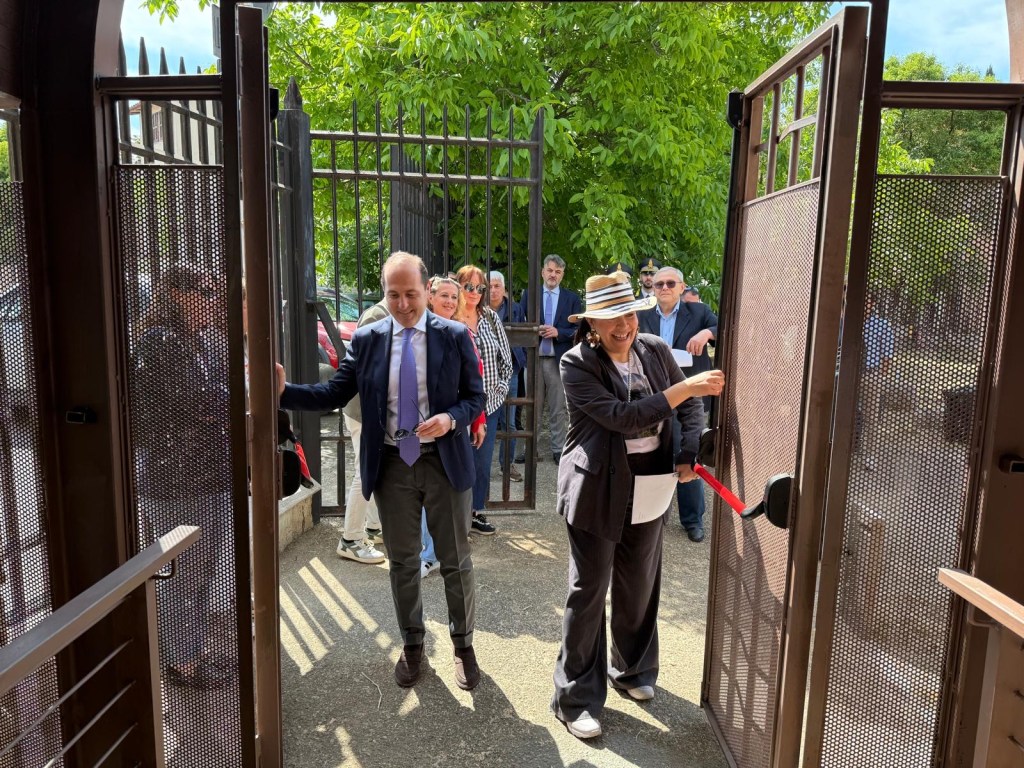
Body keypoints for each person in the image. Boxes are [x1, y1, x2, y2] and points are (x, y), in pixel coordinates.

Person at [275, 251, 486, 690]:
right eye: (394, 294)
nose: (404, 304)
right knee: (403, 562)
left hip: (443, 461)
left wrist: (451, 419)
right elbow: (332, 392)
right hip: (392, 463)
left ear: (427, 291)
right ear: (384, 294)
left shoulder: (453, 335)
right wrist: (281, 392)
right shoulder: (368, 339)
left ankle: (463, 645)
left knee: (455, 560)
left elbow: (474, 396)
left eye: (411, 294)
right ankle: (412, 644)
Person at [551, 270, 725, 739]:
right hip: (596, 490)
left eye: (627, 313)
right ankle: (575, 698)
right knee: (589, 591)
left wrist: (689, 451)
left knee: (640, 583)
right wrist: (684, 388)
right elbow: (621, 418)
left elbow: (690, 412)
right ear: (591, 324)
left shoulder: (653, 349)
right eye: (610, 318)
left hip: (650, 485)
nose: (622, 325)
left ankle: (632, 671)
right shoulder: (576, 363)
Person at [133, 263, 233, 690]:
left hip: (206, 474)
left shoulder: (198, 340)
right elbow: (193, 402)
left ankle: (191, 651)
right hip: (177, 479)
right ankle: (183, 663)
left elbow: (220, 395)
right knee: (184, 575)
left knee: (203, 570)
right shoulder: (159, 343)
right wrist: (225, 402)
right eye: (205, 292)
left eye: (213, 292)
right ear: (175, 293)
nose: (213, 301)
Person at [637, 265, 718, 543]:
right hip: (655, 397)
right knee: (656, 456)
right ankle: (653, 516)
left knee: (690, 455)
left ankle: (693, 520)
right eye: (659, 284)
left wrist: (706, 333)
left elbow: (724, 326)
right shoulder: (643, 315)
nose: (664, 289)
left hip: (691, 397)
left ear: (682, 287)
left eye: (671, 283)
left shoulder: (698, 312)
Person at [420, 275, 486, 578]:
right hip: (419, 433)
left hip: (454, 428)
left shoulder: (462, 333)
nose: (449, 301)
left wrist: (477, 421)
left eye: (453, 297)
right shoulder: (416, 332)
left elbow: (476, 383)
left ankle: (444, 553)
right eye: (443, 295)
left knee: (452, 493)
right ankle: (427, 553)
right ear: (430, 296)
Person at [455, 264, 513, 535]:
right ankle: (455, 514)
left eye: (480, 288)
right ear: (459, 287)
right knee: (457, 459)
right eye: (469, 287)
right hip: (458, 405)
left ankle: (475, 512)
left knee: (482, 461)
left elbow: (506, 361)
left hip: (488, 404)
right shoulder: (450, 319)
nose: (476, 293)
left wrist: (499, 394)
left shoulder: (490, 318)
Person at [335, 300, 390, 564]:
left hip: (368, 409)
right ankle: (350, 538)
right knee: (364, 471)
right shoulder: (376, 316)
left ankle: (372, 528)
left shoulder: (384, 314)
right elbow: (369, 369)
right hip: (363, 409)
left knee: (371, 469)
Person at [519, 254, 582, 464]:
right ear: (542, 272)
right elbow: (521, 325)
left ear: (562, 275)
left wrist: (559, 332)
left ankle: (558, 449)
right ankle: (530, 449)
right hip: (534, 359)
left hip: (558, 360)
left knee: (557, 408)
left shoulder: (571, 299)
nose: (553, 275)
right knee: (532, 406)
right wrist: (534, 330)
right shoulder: (529, 295)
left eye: (558, 272)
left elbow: (579, 330)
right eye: (550, 270)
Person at [489, 270, 525, 482]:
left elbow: (521, 336)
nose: (493, 290)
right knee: (483, 420)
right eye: (490, 286)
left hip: (509, 370)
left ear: (504, 289)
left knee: (509, 422)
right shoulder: (478, 308)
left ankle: (506, 464)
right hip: (484, 371)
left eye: (497, 286)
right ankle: (478, 464)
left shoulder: (515, 309)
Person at [860, 291, 894, 471]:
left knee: (871, 418)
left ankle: (870, 457)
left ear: (872, 303)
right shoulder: (847, 322)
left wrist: (880, 375)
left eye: (866, 301)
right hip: (848, 375)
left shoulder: (882, 325)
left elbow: (888, 353)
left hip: (870, 374)